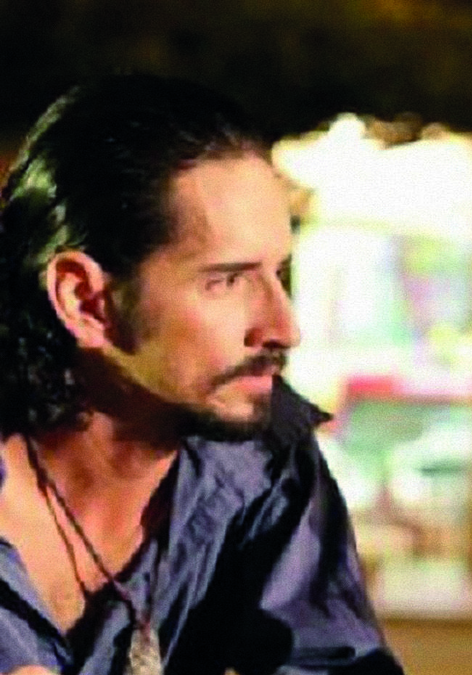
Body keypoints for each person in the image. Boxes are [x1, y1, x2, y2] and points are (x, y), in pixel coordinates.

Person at [0, 74, 404, 674]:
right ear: (86, 301)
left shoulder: (261, 461)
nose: (283, 327)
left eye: (278, 273)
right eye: (227, 281)